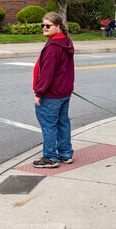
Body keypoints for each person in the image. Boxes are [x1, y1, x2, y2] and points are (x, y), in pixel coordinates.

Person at [32, 12, 75, 168]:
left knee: (49, 124)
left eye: (48, 25)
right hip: (64, 92)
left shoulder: (53, 47)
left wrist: (39, 92)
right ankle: (65, 154)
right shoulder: (65, 42)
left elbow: (46, 73)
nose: (44, 28)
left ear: (58, 27)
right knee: (63, 122)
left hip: (51, 94)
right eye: (43, 25)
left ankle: (50, 157)